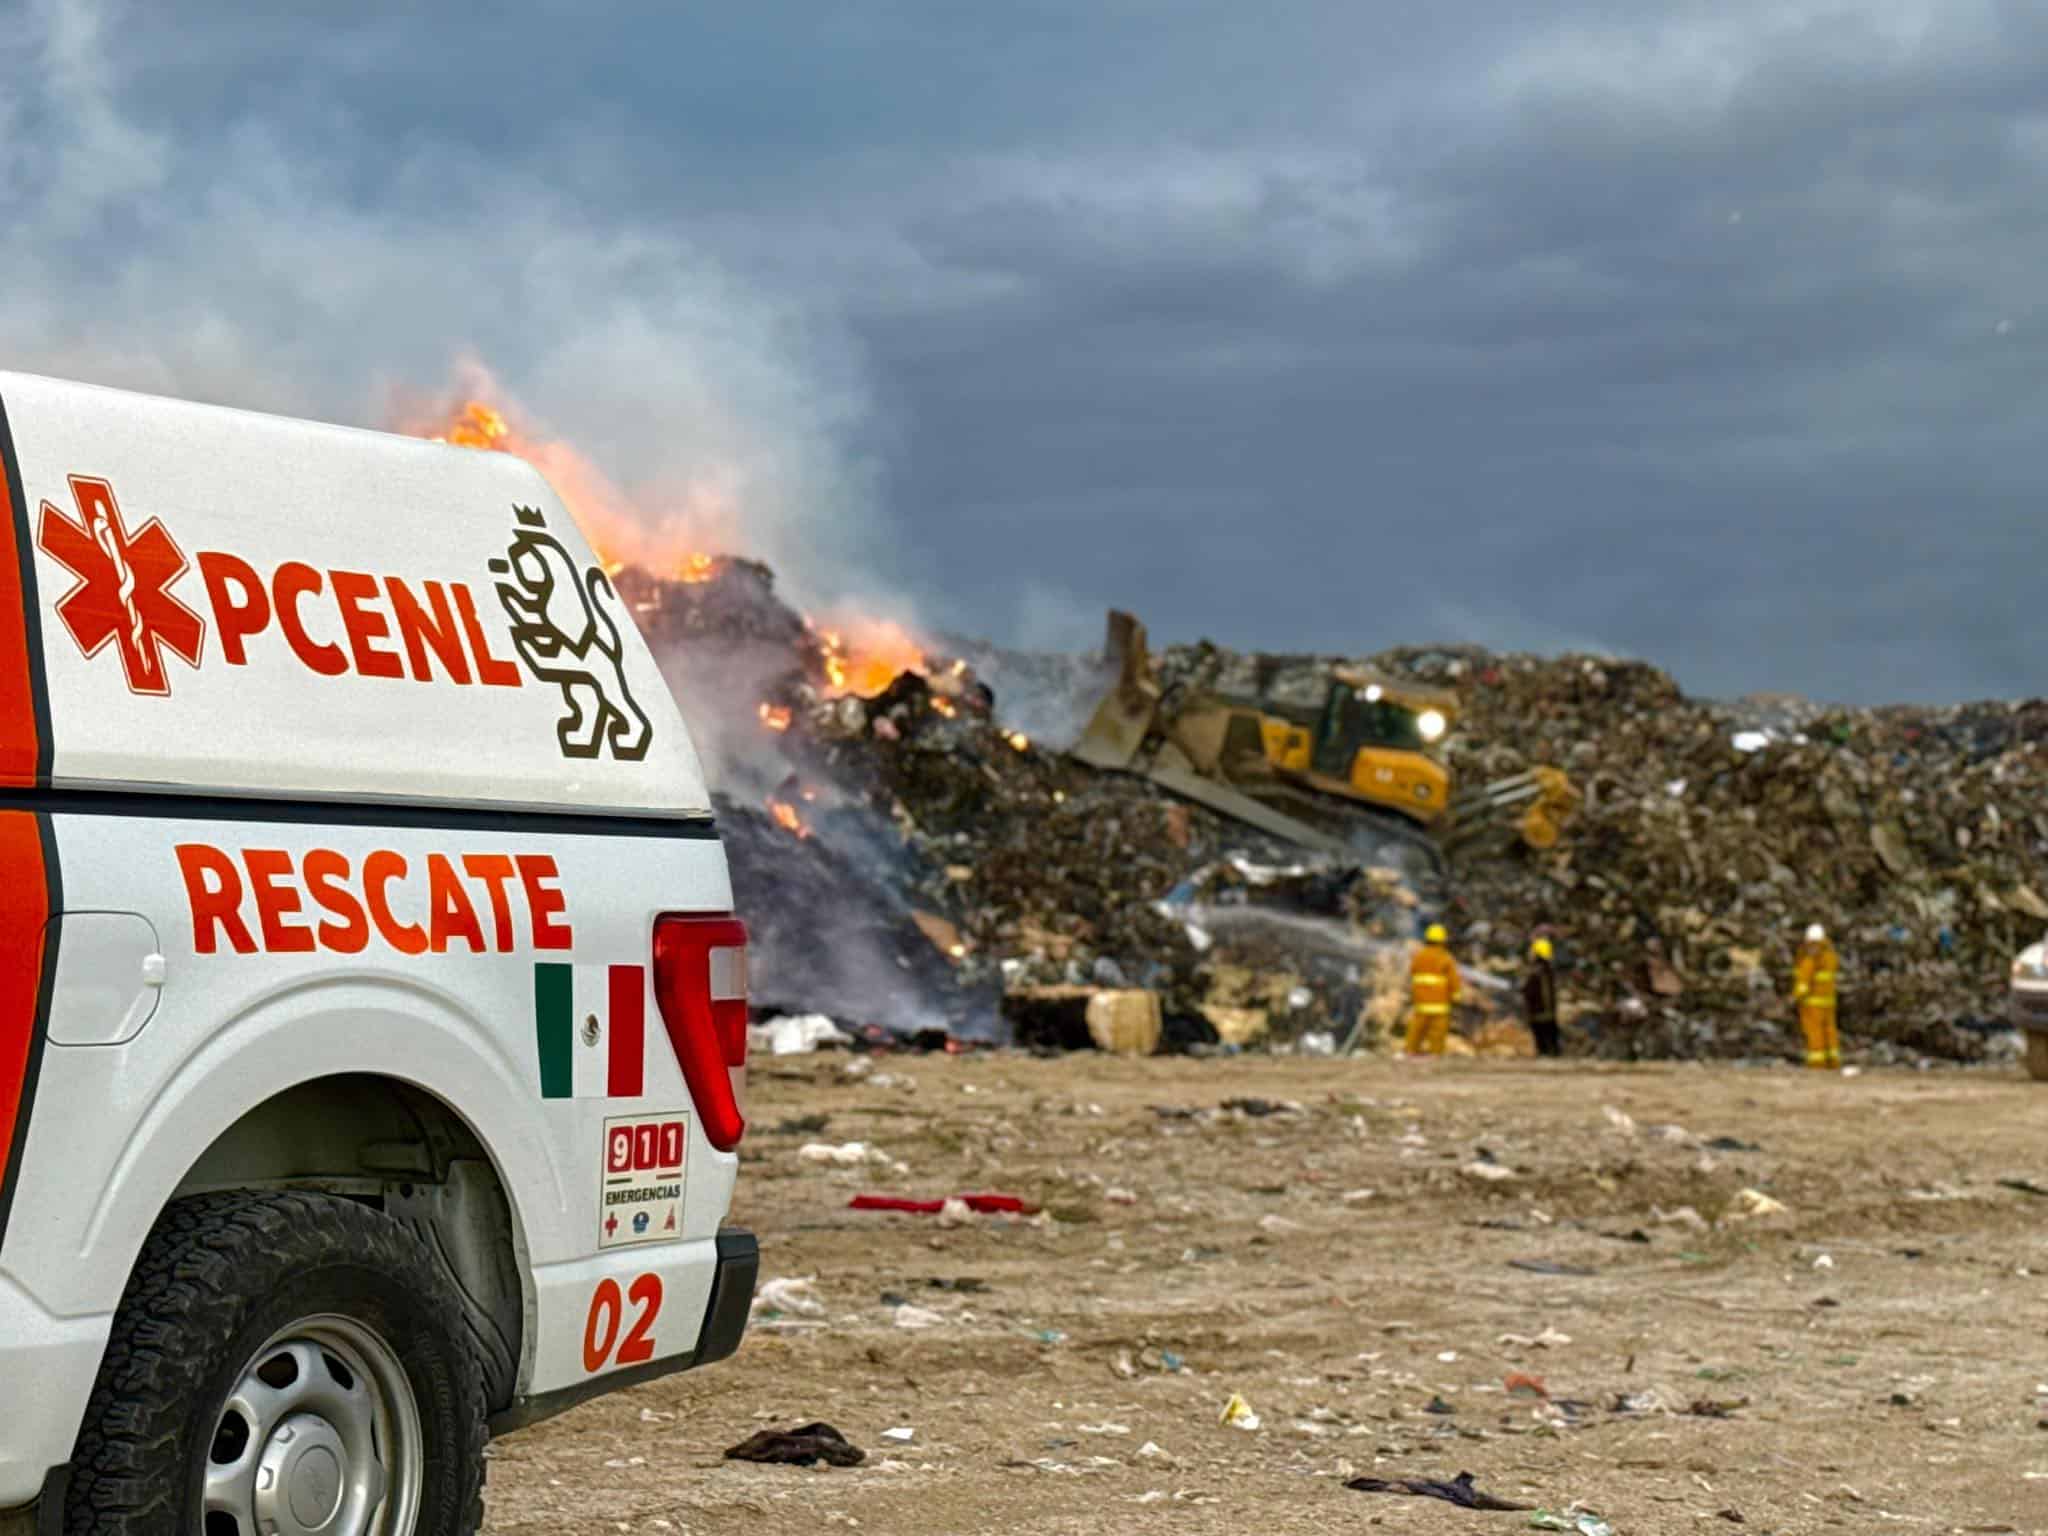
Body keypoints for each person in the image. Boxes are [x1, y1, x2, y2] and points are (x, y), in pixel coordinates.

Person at [1404, 923, 1462, 1055]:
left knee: (1417, 1028)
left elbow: (1412, 972)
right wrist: (1456, 994)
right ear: (1443, 941)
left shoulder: (1419, 956)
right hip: (1440, 1002)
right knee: (1438, 1030)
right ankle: (1435, 1053)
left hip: (1421, 1000)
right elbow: (1453, 978)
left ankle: (1410, 1050)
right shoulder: (1445, 957)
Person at [1792, 922, 1840, 1069]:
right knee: (1830, 1032)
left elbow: (1803, 984)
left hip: (1812, 1004)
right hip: (1829, 1003)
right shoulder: (1830, 957)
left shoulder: (1811, 959)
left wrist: (1796, 997)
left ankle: (1817, 1063)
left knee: (1814, 1033)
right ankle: (1833, 1061)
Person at [1523, 937, 1560, 1057]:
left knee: (1542, 1035)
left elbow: (1532, 991)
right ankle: (1552, 1052)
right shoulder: (1548, 970)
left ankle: (1546, 1052)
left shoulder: (1538, 971)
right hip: (1547, 1011)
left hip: (1539, 1010)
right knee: (1551, 1034)